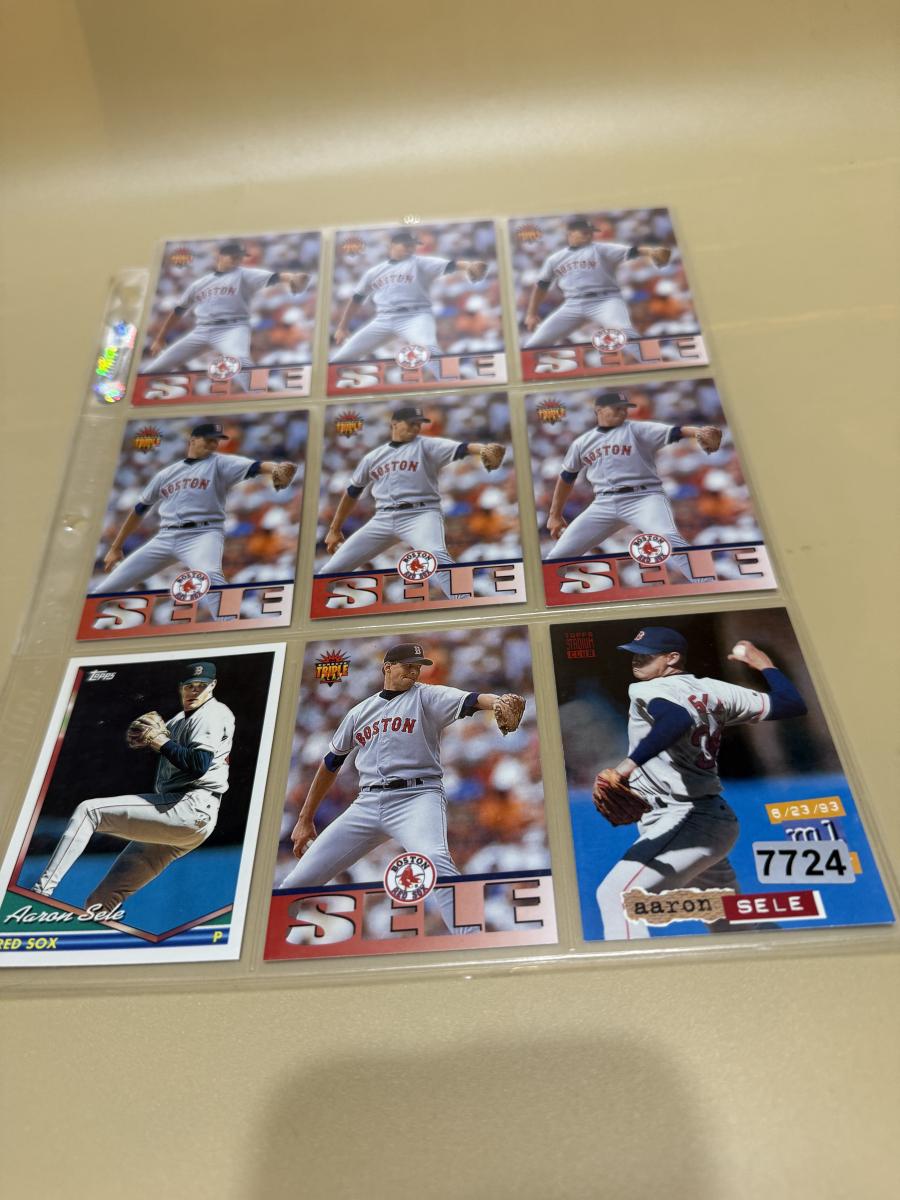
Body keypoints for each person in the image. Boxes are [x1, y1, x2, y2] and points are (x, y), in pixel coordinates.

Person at [281, 643, 523, 935]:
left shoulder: (427, 696)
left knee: (434, 860)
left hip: (417, 797)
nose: (413, 671)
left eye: (417, 666)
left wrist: (497, 702)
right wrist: (305, 819)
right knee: (295, 883)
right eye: (407, 665)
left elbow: (471, 699)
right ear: (387, 667)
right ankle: (268, 944)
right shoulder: (359, 712)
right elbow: (330, 763)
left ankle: (473, 941)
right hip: (368, 802)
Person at [593, 626, 807, 939]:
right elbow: (790, 703)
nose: (637, 660)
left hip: (685, 819)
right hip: (706, 821)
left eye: (647, 655)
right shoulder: (718, 691)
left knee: (618, 896)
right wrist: (763, 664)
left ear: (672, 658)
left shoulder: (647, 690)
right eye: (634, 654)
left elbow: (677, 718)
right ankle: (781, 955)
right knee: (731, 923)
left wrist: (625, 768)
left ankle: (634, 973)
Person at [32, 661, 234, 915]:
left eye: (201, 686)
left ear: (213, 686)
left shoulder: (211, 714)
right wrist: (152, 740)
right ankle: (99, 934)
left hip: (190, 806)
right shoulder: (179, 720)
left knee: (89, 811)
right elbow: (164, 745)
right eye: (189, 685)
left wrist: (160, 741)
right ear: (180, 688)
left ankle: (40, 893)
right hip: (185, 820)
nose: (194, 691)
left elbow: (198, 764)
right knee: (101, 902)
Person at [320, 405, 505, 596]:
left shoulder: (426, 445)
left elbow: (463, 448)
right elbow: (352, 493)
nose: (415, 427)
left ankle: (464, 602)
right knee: (329, 571)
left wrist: (483, 449)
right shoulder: (373, 457)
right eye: (411, 423)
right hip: (383, 518)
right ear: (394, 424)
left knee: (436, 556)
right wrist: (334, 530)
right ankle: (314, 608)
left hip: (420, 514)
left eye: (418, 424)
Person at [98, 421, 297, 593]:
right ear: (192, 440)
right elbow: (139, 510)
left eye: (215, 441)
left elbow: (257, 466)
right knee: (107, 587)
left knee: (210, 579)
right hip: (166, 536)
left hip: (203, 534)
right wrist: (116, 547)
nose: (212, 444)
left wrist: (276, 468)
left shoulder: (220, 462)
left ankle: (227, 622)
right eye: (208, 440)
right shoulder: (166, 474)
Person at [544, 391, 721, 580]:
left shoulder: (637, 429)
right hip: (604, 503)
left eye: (624, 408)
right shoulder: (582, 443)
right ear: (599, 410)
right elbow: (566, 478)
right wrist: (555, 515)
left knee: (667, 538)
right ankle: (546, 592)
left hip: (643, 498)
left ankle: (707, 583)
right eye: (616, 408)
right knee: (557, 556)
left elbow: (677, 431)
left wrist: (698, 432)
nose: (622, 412)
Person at [143, 240, 309, 373]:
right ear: (221, 257)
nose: (238, 260)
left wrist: (292, 278)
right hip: (203, 330)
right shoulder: (199, 283)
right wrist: (160, 338)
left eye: (239, 257)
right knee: (156, 368)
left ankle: (256, 395)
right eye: (234, 256)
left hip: (232, 328)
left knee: (242, 368)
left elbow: (276, 277)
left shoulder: (244, 274)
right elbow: (178, 311)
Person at [330, 229, 487, 362]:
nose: (410, 248)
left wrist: (469, 266)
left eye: (412, 245)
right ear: (392, 245)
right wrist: (342, 327)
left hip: (415, 316)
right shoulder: (373, 272)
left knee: (428, 351)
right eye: (406, 244)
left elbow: (452, 265)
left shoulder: (419, 262)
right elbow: (356, 299)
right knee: (342, 357)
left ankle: (449, 380)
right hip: (385, 318)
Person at [523, 215, 671, 348]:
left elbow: (633, 251)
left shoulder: (601, 249)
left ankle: (651, 360)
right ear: (571, 233)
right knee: (534, 344)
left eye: (590, 232)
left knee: (624, 334)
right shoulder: (555, 259)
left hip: (605, 300)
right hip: (574, 304)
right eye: (584, 232)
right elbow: (541, 286)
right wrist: (531, 313)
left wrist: (651, 252)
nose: (589, 235)